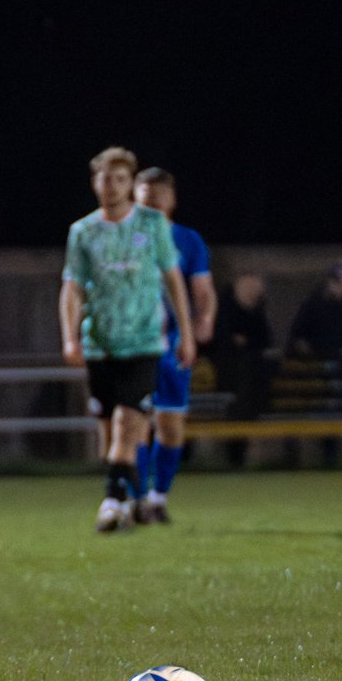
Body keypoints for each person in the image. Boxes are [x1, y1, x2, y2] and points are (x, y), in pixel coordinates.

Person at [60, 148, 196, 532]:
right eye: (106, 179)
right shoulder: (83, 232)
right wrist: (70, 338)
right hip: (100, 344)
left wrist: (186, 333)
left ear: (129, 184)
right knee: (110, 435)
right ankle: (133, 498)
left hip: (144, 344)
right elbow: (71, 288)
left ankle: (110, 503)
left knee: (125, 425)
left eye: (120, 179)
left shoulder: (152, 226)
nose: (112, 186)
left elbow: (173, 281)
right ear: (95, 183)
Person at [130, 167, 215, 523]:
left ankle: (158, 496)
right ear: (135, 197)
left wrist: (203, 322)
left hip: (173, 346)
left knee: (170, 425)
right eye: (145, 192)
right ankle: (134, 500)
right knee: (132, 423)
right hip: (132, 344)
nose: (152, 199)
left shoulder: (187, 241)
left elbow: (202, 291)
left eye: (159, 193)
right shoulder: (123, 238)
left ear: (172, 199)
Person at [286, 262, 342, 466]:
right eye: (337, 281)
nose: (341, 285)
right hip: (324, 366)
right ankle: (330, 456)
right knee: (329, 411)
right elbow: (297, 335)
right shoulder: (314, 303)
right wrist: (304, 347)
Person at [211, 273, 273, 468]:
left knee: (244, 403)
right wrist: (234, 341)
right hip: (229, 374)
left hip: (249, 380)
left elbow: (264, 340)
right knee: (235, 404)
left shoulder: (257, 313)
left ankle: (239, 455)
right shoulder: (224, 309)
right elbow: (217, 338)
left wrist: (248, 342)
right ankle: (233, 454)